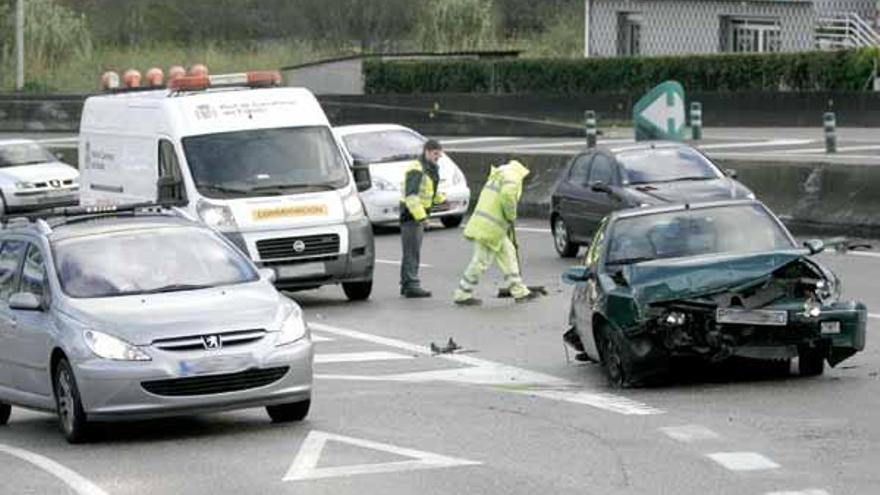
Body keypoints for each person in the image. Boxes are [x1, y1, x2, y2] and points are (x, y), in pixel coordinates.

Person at [453, 159, 539, 305]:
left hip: (490, 225)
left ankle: (519, 291)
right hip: (490, 227)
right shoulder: (513, 177)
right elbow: (507, 196)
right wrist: (511, 216)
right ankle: (462, 293)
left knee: (509, 254)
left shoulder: (501, 173)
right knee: (481, 261)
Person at [399, 139, 446, 298]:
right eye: (435, 154)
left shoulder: (429, 167)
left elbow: (428, 190)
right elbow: (411, 196)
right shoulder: (417, 169)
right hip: (412, 215)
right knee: (412, 252)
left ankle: (407, 284)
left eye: (439, 155)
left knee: (411, 251)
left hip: (416, 214)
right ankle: (411, 285)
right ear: (426, 151)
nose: (437, 158)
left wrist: (441, 199)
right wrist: (422, 218)